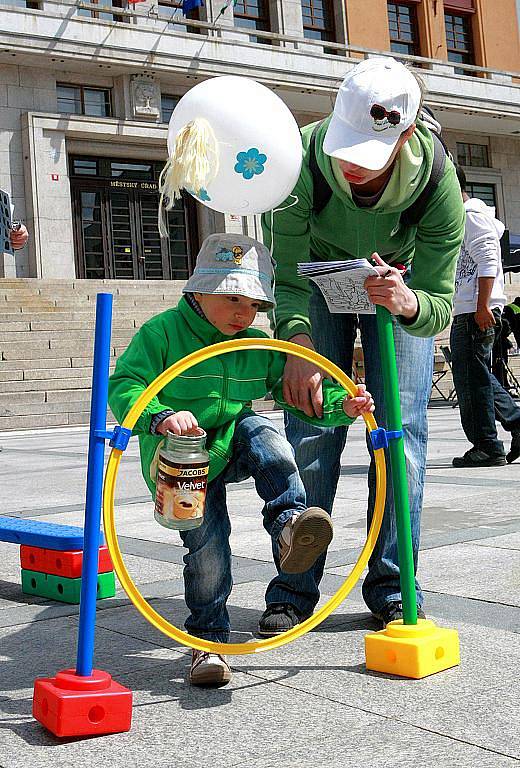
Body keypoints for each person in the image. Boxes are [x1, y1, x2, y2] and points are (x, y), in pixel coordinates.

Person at [108, 233, 374, 688]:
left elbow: (293, 393)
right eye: (232, 297)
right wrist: (161, 415)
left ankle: (291, 525)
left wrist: (339, 405)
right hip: (182, 461)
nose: (242, 312)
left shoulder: (253, 342)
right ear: (197, 290)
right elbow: (124, 384)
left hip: (231, 440)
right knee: (207, 552)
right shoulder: (162, 333)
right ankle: (208, 641)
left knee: (266, 434)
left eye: (253, 304)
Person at [260, 56, 465, 635]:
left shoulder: (437, 183)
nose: (351, 168)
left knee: (401, 438)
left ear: (405, 135)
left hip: (394, 286)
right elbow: (289, 274)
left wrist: (404, 302)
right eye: (346, 151)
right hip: (317, 283)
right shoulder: (301, 158)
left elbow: (438, 306)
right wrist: (295, 345)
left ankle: (394, 583)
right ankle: (294, 588)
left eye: (368, 160)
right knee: (311, 428)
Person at [450, 165, 520, 467]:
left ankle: (487, 446)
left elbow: (490, 259)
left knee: (471, 381)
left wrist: (481, 306)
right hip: (472, 308)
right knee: (477, 376)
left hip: (475, 310)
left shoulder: (471, 217)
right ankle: (515, 424)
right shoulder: (470, 216)